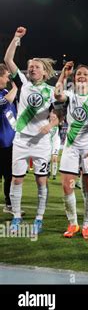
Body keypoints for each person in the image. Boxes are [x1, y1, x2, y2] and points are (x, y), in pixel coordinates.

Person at [4, 27, 59, 235]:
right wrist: (16, 39)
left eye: (36, 67)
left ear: (44, 72)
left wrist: (51, 125)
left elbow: (57, 115)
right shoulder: (23, 84)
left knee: (40, 180)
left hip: (41, 143)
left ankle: (39, 217)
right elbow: (8, 60)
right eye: (30, 67)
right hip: (21, 140)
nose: (32, 69)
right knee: (17, 179)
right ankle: (17, 216)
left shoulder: (52, 92)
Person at [54, 62, 88, 240]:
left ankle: (86, 225)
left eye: (85, 74)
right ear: (75, 79)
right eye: (78, 75)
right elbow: (57, 94)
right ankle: (73, 223)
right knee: (67, 186)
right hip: (71, 148)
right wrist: (64, 74)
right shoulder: (70, 95)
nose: (81, 76)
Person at [0, 64, 18, 215]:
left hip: (10, 143)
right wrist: (16, 87)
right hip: (0, 143)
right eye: (6, 76)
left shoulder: (6, 91)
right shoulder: (7, 94)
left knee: (9, 176)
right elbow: (4, 103)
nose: (8, 79)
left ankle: (9, 204)